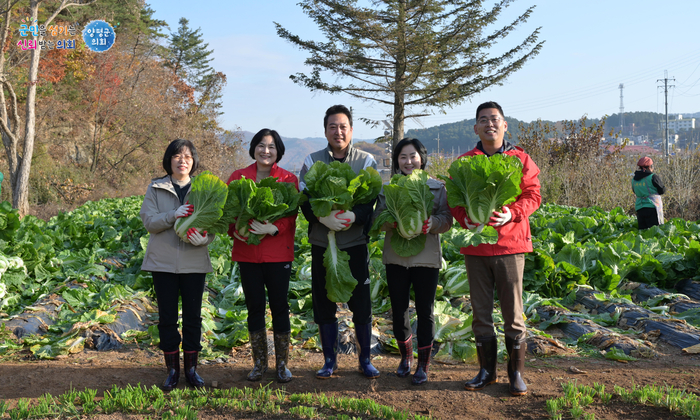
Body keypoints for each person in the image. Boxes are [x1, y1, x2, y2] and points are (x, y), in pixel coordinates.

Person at [449, 102, 541, 396]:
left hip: (510, 245)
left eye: (495, 119)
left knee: (513, 313)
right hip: (477, 247)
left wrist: (511, 213)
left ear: (504, 126)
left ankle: (516, 374)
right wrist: (467, 219)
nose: (490, 124)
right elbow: (454, 201)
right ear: (475, 128)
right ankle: (486, 371)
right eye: (483, 120)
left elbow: (533, 195)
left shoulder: (520, 159)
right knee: (481, 313)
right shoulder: (464, 162)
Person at [298, 104, 380, 379]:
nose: (338, 131)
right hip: (323, 244)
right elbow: (305, 200)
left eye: (343, 126)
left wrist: (352, 215)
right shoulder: (312, 161)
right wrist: (323, 219)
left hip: (354, 243)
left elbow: (370, 201)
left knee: (362, 304)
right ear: (325, 131)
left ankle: (365, 359)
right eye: (332, 126)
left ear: (351, 130)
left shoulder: (366, 161)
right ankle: (329, 360)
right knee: (323, 303)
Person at [373, 138, 453, 385]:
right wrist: (394, 222)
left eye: (413, 156)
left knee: (425, 311)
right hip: (396, 256)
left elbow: (447, 219)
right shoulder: (388, 189)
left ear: (422, 157)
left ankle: (423, 364)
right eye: (403, 157)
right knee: (398, 309)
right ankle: (405, 358)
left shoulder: (437, 188)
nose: (408, 161)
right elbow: (378, 219)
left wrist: (433, 224)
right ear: (397, 161)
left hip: (426, 257)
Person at [140, 139, 215, 391]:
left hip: (194, 261)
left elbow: (213, 223)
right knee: (167, 318)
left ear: (193, 162)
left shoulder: (203, 189)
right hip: (163, 263)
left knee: (193, 317)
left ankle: (192, 369)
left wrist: (206, 238)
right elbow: (149, 222)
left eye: (187, 156)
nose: (182, 160)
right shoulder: (156, 187)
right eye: (177, 155)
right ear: (169, 160)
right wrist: (174, 214)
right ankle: (172, 370)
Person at [227, 128, 298, 383]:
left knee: (280, 308)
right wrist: (236, 230)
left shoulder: (288, 178)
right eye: (261, 145)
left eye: (271, 146)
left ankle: (282, 365)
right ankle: (259, 364)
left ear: (278, 151)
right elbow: (228, 212)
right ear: (253, 148)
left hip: (278, 253)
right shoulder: (238, 177)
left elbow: (291, 215)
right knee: (254, 307)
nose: (265, 151)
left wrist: (274, 227)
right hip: (248, 253)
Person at [632, 156, 665, 229]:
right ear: (650, 167)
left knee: (643, 233)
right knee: (654, 232)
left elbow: (634, 191)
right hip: (652, 207)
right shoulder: (653, 177)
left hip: (639, 207)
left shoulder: (634, 179)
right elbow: (662, 190)